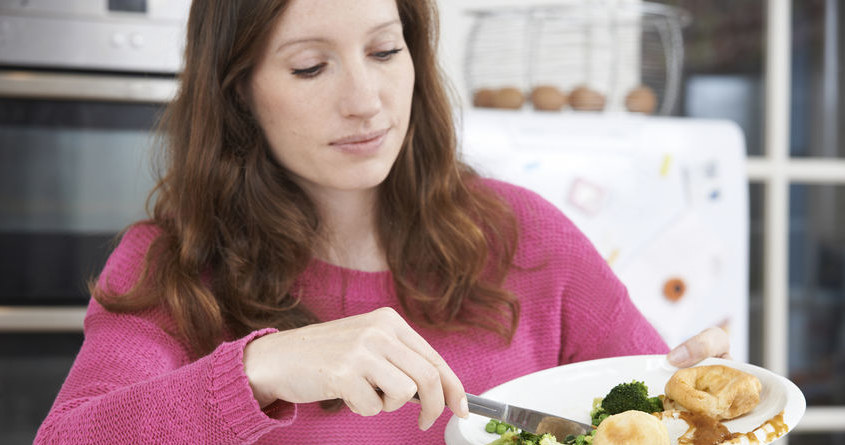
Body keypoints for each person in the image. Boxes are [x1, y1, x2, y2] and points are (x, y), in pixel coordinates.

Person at [35, 0, 730, 443]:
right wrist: (257, 369)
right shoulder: (170, 265)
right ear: (238, 93)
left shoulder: (525, 236)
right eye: (311, 67)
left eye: (383, 50)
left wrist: (701, 408)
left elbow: (650, 416)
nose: (365, 101)